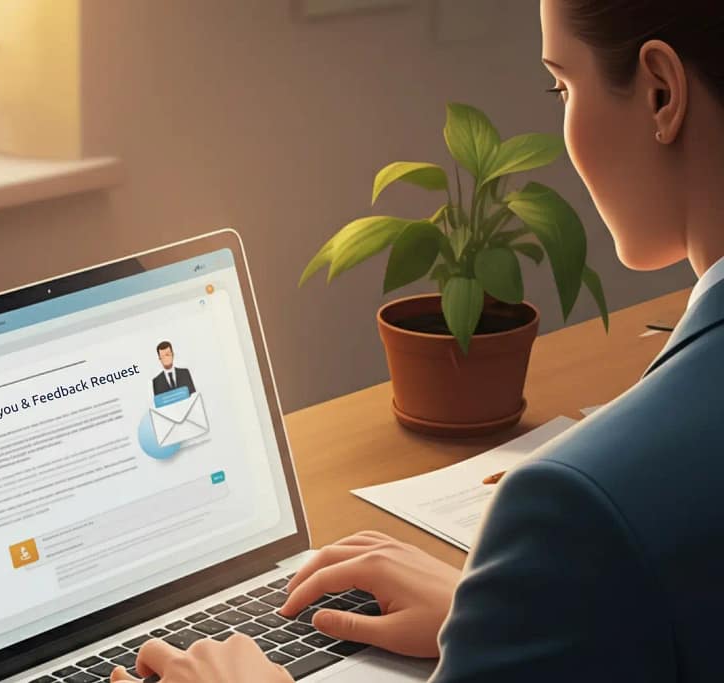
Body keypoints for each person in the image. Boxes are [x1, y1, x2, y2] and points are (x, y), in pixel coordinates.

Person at [112, 1, 724, 681]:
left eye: (562, 84)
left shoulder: (574, 511)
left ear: (661, 94)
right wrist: (510, 613)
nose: (562, 111)